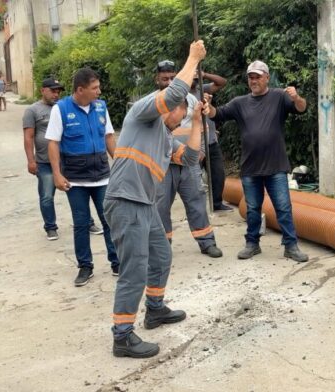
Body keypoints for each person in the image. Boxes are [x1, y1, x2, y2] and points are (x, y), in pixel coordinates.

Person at [104, 41, 206, 358]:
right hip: (125, 199)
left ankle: (155, 309)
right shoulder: (143, 112)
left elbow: (190, 159)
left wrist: (199, 123)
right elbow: (175, 93)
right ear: (168, 107)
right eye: (183, 113)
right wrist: (192, 59)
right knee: (134, 269)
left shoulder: (163, 138)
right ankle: (122, 336)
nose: (183, 117)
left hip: (145, 205)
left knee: (161, 257)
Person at [208, 60, 309, 263]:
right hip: (250, 168)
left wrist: (297, 97)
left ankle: (291, 246)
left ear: (267, 78)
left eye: (257, 77)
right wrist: (206, 106)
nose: (253, 81)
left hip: (276, 166)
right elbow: (217, 114)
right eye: (250, 77)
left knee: (283, 207)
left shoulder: (280, 97)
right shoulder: (239, 103)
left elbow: (301, 108)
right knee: (253, 209)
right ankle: (252, 243)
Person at [45, 68, 119, 286]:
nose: (99, 91)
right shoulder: (61, 109)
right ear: (80, 90)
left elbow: (109, 137)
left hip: (102, 177)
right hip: (75, 180)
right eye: (94, 88)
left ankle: (117, 262)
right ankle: (85, 267)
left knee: (109, 221)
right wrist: (57, 175)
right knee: (81, 223)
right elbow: (53, 142)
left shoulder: (100, 107)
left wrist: (121, 164)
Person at [153, 61, 223, 258]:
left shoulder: (191, 100)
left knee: (197, 201)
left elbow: (201, 126)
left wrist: (200, 149)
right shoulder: (153, 103)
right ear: (157, 79)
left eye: (173, 78)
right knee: (160, 206)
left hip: (189, 164)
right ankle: (162, 246)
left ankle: (207, 242)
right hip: (164, 166)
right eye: (165, 78)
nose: (169, 82)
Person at [23, 77, 103, 241]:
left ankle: (88, 223)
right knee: (46, 196)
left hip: (68, 161)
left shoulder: (64, 108)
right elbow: (28, 137)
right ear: (42, 90)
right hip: (45, 162)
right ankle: (51, 227)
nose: (56, 94)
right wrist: (31, 160)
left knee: (82, 193)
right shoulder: (33, 110)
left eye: (58, 91)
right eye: (52, 91)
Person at [192, 71, 232, 212]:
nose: (194, 79)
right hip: (193, 143)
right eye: (191, 76)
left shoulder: (203, 89)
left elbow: (222, 82)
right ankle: (197, 207)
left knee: (218, 174)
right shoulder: (181, 95)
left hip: (211, 141)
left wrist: (204, 74)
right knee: (193, 179)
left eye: (195, 77)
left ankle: (217, 203)